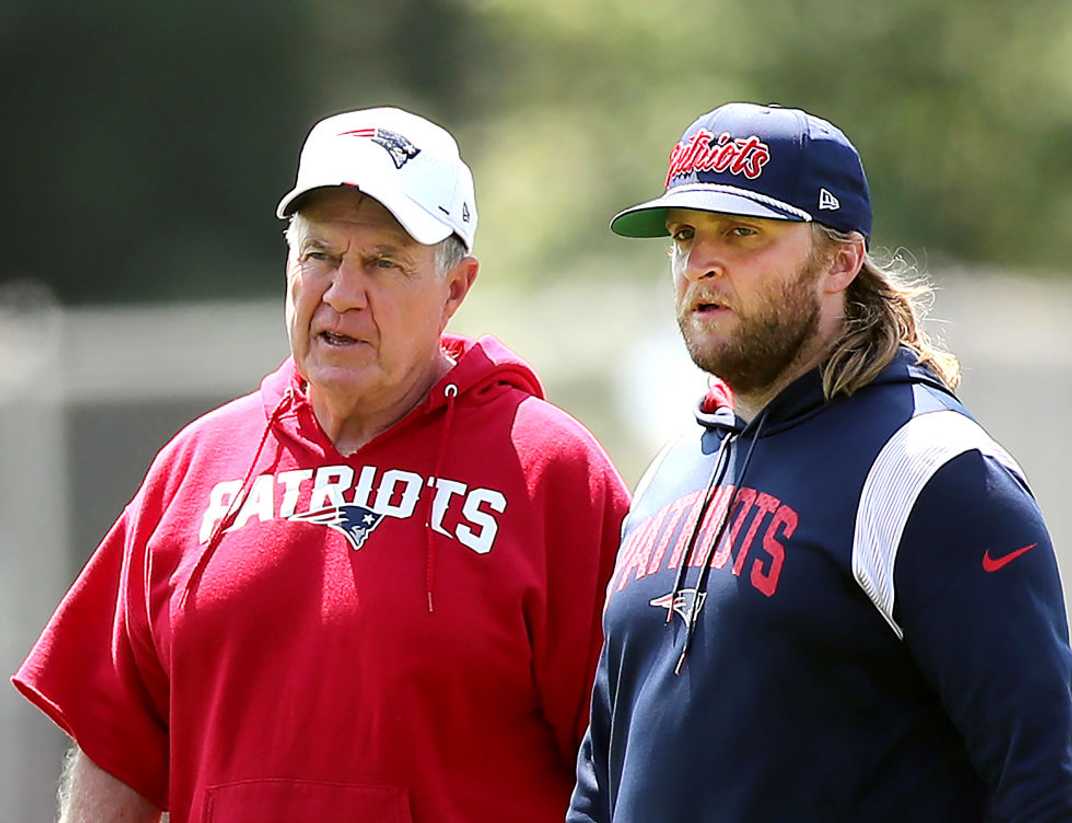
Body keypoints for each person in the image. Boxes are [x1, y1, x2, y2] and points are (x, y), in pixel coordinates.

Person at [13, 107, 630, 823]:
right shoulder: (197, 466)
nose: (341, 291)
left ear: (455, 290)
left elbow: (628, 761)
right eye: (319, 255)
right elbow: (118, 747)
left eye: (382, 262)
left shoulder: (550, 472)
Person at [567, 102, 1072, 822]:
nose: (702, 262)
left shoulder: (928, 469)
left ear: (842, 259)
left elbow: (1047, 785)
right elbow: (600, 787)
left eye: (742, 232)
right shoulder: (672, 471)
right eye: (684, 236)